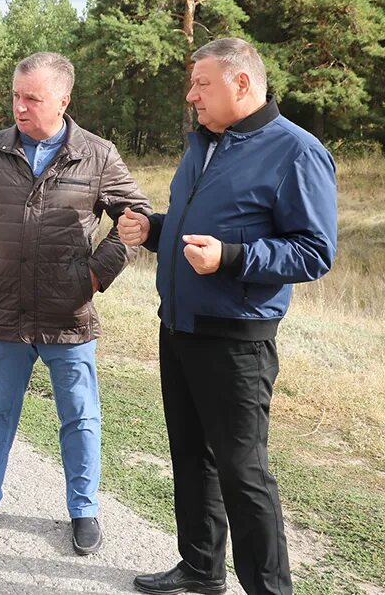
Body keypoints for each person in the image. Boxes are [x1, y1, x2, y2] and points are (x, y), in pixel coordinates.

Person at [117, 38, 337, 595]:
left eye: (202, 84)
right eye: (192, 85)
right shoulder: (203, 144)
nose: (191, 95)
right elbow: (204, 228)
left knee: (244, 474)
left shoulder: (297, 151)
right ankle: (200, 568)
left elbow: (314, 252)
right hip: (180, 327)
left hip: (237, 341)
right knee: (190, 458)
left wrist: (233, 258)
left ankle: (269, 589)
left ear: (241, 83)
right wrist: (155, 230)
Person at [0, 51, 150, 555]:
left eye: (31, 98)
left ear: (63, 99)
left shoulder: (98, 155)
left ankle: (84, 511)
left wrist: (96, 275)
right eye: (16, 95)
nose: (19, 106)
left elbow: (136, 219)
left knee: (80, 415)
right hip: (4, 309)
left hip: (68, 314)